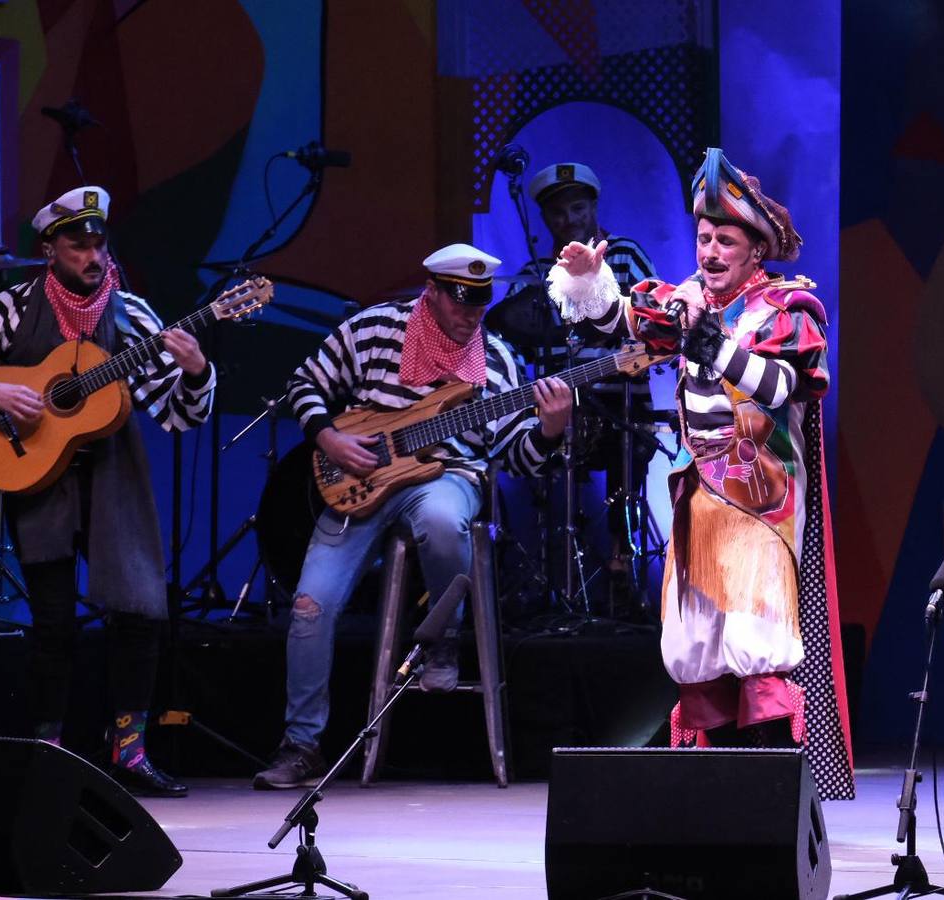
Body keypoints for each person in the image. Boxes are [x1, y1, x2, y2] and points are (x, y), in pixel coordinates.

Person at [549, 148, 855, 800]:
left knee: (754, 638)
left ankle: (774, 798)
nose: (711, 251)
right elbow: (620, 320)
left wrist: (706, 342)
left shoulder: (784, 307)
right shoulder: (688, 300)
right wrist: (588, 280)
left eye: (725, 240)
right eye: (703, 237)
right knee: (697, 643)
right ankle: (713, 799)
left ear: (755, 249)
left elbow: (781, 384)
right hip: (698, 495)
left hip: (760, 497)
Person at [0, 186, 215, 797]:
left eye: (98, 241)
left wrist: (195, 372)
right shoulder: (11, 307)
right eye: (77, 243)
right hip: (39, 475)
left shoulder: (134, 316)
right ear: (50, 247)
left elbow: (175, 415)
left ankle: (129, 753)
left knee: (139, 611)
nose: (92, 253)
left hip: (114, 474)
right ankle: (47, 752)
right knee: (53, 623)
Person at [253, 243, 572, 790]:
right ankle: (301, 744)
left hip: (447, 475)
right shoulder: (376, 328)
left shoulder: (495, 358)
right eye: (459, 299)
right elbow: (303, 385)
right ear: (432, 289)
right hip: (358, 481)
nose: (470, 312)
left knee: (444, 519)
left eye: (480, 301)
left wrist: (549, 428)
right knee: (309, 606)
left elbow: (514, 457)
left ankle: (441, 639)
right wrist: (329, 439)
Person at [490, 162, 660, 591]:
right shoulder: (534, 276)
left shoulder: (624, 254)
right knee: (519, 441)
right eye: (558, 213)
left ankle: (623, 564)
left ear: (594, 207)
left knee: (628, 444)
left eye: (578, 208)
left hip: (618, 403)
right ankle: (542, 577)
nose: (569, 220)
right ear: (545, 219)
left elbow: (652, 321)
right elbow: (507, 336)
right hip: (556, 411)